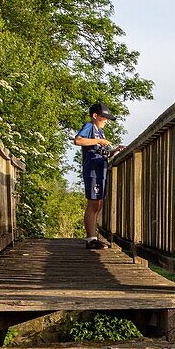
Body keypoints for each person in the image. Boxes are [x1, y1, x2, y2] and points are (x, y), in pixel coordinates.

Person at [73, 102, 120, 249]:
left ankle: (93, 237)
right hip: (92, 170)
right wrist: (99, 141)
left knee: (98, 204)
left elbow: (101, 152)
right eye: (103, 117)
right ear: (95, 116)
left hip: (100, 170)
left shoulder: (100, 132)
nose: (106, 121)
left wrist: (115, 151)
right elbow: (78, 140)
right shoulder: (90, 127)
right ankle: (90, 239)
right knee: (93, 204)